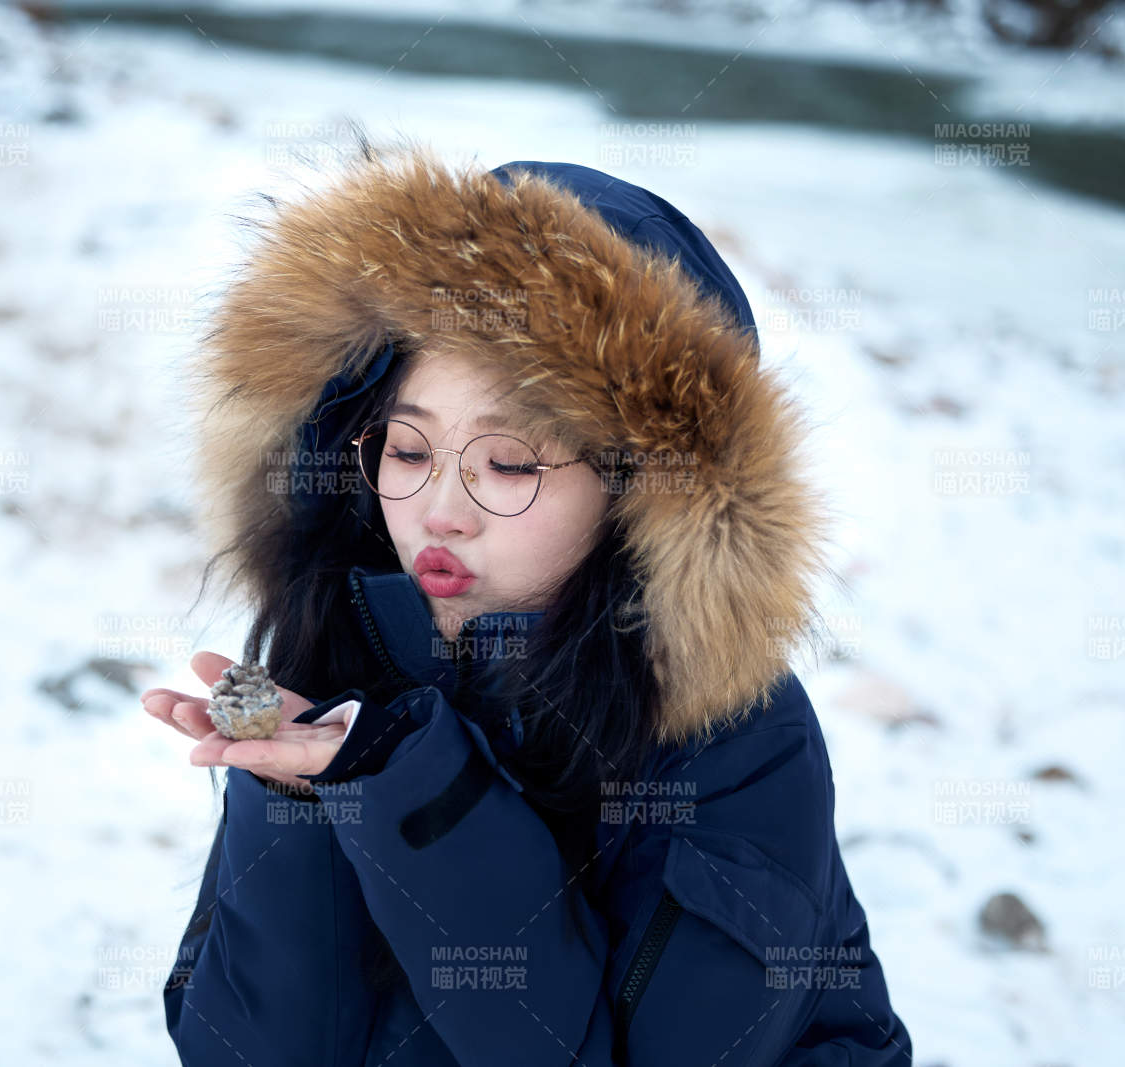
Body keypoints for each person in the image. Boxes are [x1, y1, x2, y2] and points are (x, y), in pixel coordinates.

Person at [140, 135, 914, 1065]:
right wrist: (302, 804)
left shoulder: (735, 741)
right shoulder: (341, 656)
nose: (439, 511)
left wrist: (418, 797)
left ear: (640, 488)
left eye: (509, 463)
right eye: (408, 450)